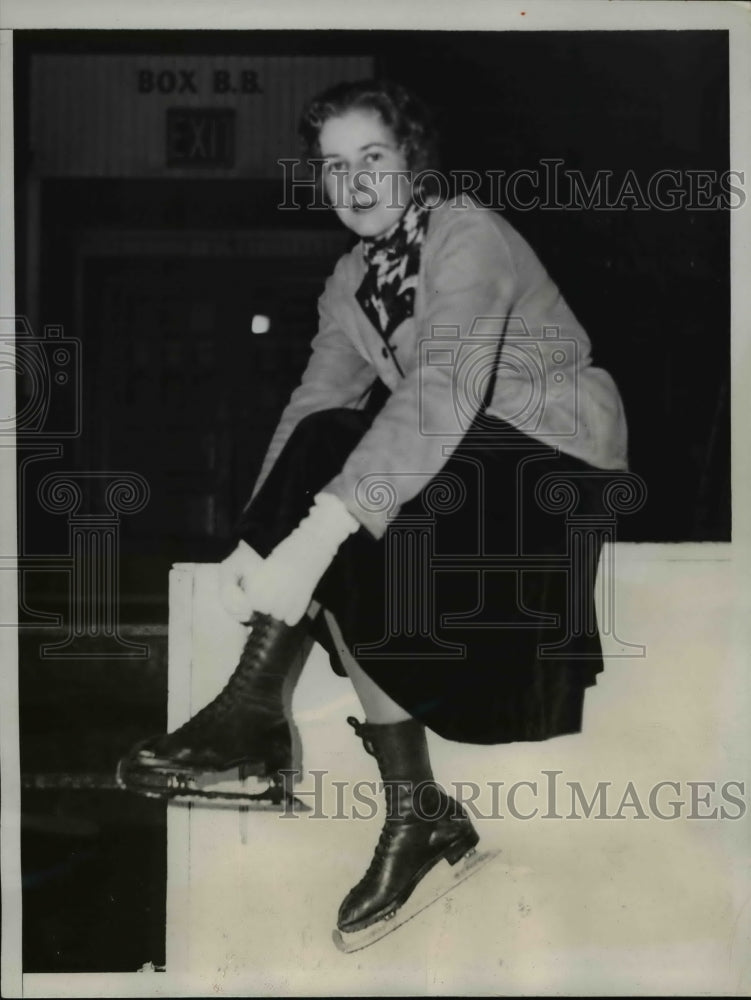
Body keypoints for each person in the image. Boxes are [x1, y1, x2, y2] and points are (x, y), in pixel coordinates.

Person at [118, 78, 628, 942]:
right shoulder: (352, 280)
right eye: (333, 166)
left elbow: (437, 392)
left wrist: (315, 528)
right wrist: (258, 538)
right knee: (334, 479)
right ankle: (416, 811)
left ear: (412, 162)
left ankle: (248, 717)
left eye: (373, 159)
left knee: (342, 508)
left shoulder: (469, 237)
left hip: (548, 468)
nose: (354, 184)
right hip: (456, 469)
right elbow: (311, 404)